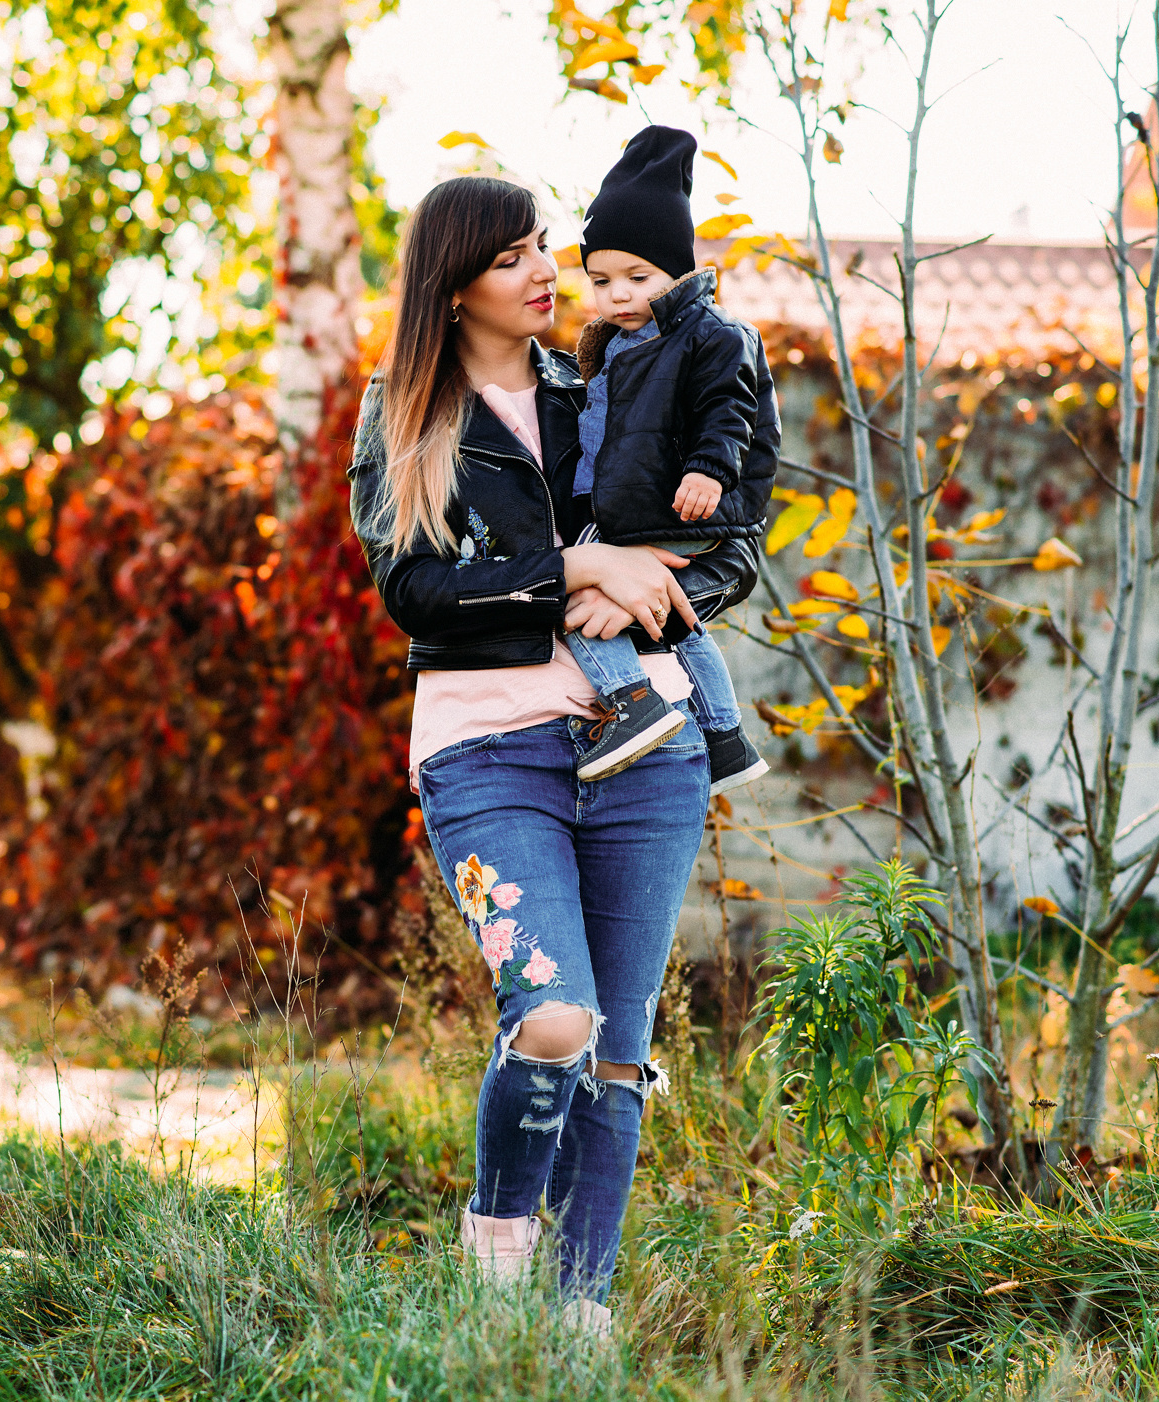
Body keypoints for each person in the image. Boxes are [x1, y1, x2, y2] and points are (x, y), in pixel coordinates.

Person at [347, 173, 762, 1333]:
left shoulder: (613, 378)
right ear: (454, 285)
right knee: (553, 1018)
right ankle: (497, 1264)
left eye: (545, 250)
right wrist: (578, 570)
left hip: (648, 747)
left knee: (619, 1057)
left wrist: (662, 586)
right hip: (487, 752)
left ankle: (576, 1329)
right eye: (515, 258)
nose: (548, 273)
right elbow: (414, 590)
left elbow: (729, 537)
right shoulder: (401, 414)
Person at [562, 124, 780, 791]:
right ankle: (725, 737)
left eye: (637, 276)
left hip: (678, 507)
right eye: (601, 279)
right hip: (635, 515)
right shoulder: (613, 345)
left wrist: (707, 470)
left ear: (676, 272)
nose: (618, 294)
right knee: (679, 625)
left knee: (575, 609)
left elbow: (730, 407)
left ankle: (632, 703)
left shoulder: (708, 334)